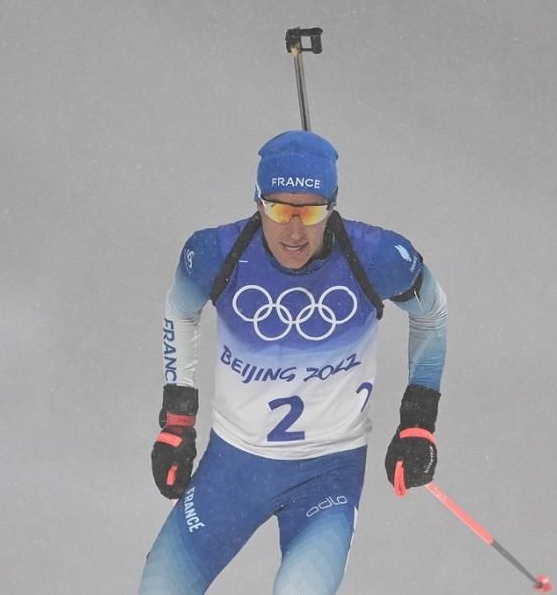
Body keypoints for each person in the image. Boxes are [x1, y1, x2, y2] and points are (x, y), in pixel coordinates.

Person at [138, 130, 448, 594]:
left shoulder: (378, 257)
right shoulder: (214, 253)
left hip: (327, 475)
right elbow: (180, 310)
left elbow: (432, 313)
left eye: (312, 210)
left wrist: (417, 422)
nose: (295, 230)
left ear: (333, 204)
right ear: (257, 201)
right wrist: (178, 420)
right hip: (234, 466)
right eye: (280, 209)